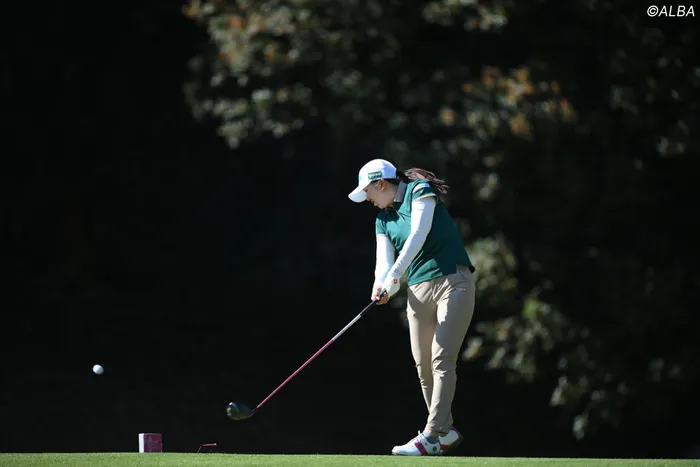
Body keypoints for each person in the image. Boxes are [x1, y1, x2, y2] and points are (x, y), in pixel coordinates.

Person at [348, 158, 477, 456]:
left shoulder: (420, 191)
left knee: (442, 358)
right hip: (418, 291)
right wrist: (380, 286)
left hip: (452, 280)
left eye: (368, 191)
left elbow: (419, 234)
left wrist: (394, 276)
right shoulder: (382, 220)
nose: (367, 198)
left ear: (381, 183)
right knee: (423, 365)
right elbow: (383, 263)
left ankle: (430, 436)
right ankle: (446, 432)